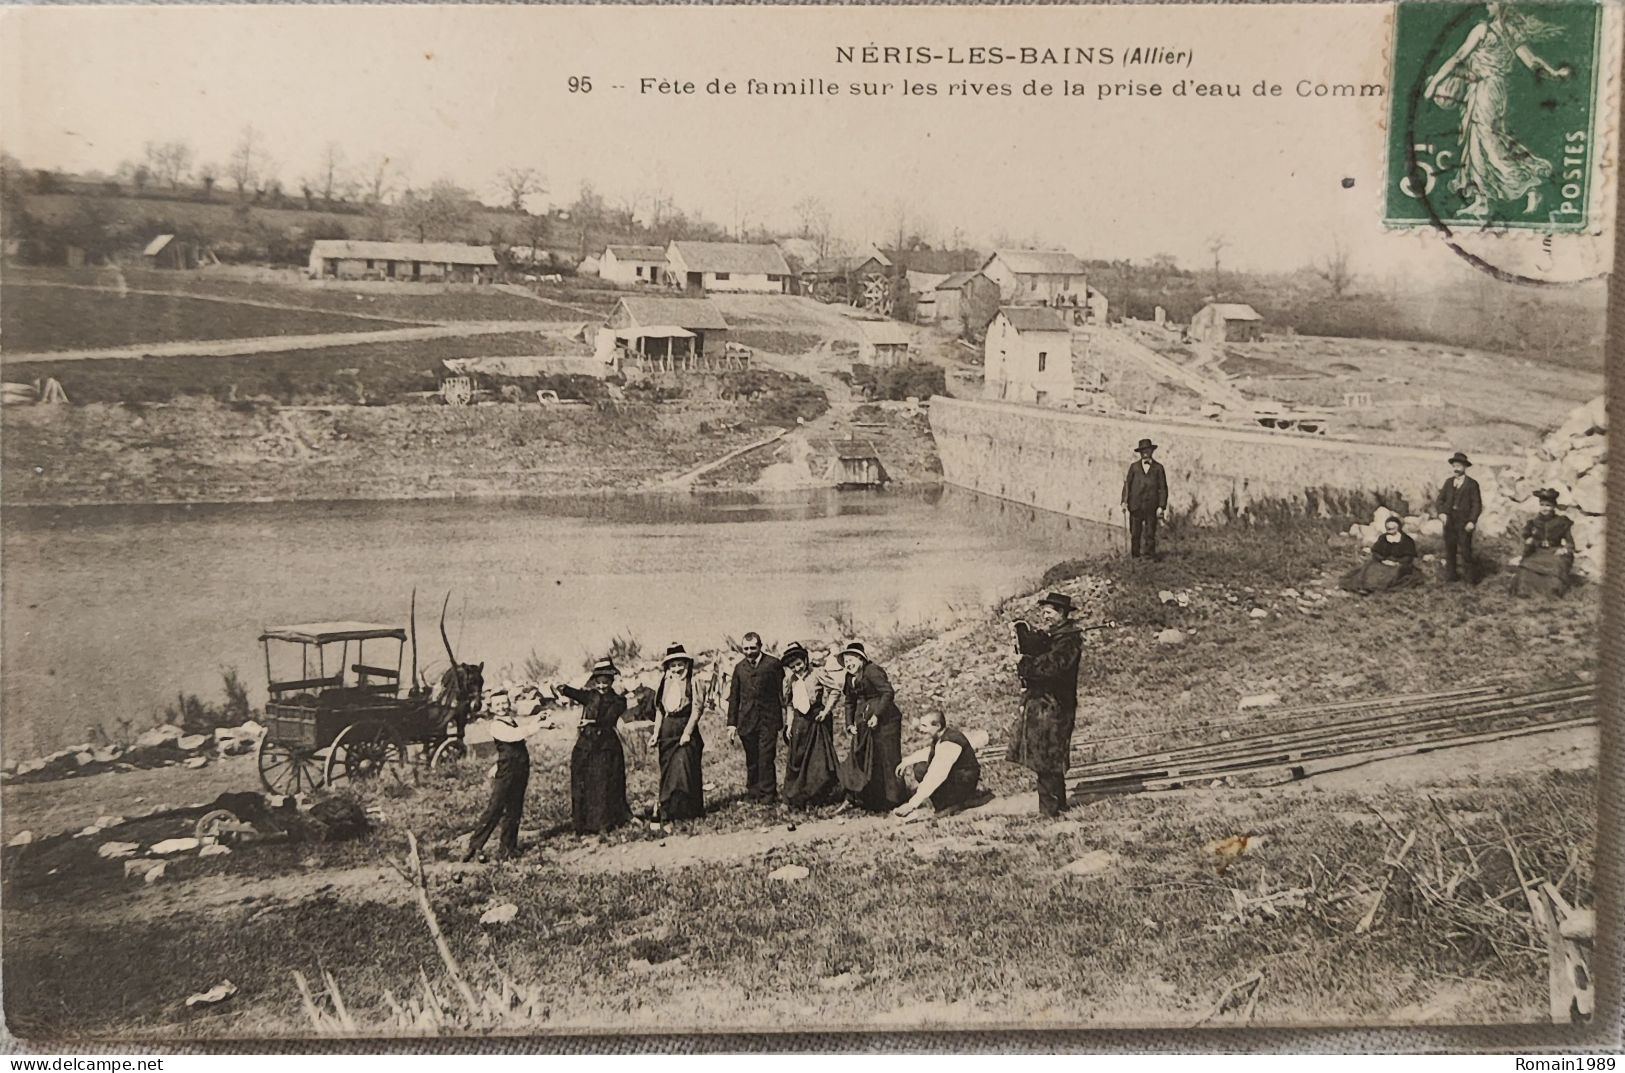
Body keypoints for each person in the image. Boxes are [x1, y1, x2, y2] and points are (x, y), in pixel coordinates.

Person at [1423, 3, 1572, 218]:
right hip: (1493, 88)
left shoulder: (1482, 29)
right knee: (1476, 139)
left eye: (1491, 2)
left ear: (1501, 6)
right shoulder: (1512, 32)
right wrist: (1554, 73)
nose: (1486, 5)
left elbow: (1458, 57)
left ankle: (1527, 185)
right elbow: (1533, 62)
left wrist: (1433, 84)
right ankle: (1482, 199)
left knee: (1485, 138)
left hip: (1486, 89)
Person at [1006, 592, 1084, 818]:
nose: (1045, 616)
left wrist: (1025, 663)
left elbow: (1054, 667)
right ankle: (1057, 806)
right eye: (1044, 612)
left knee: (1046, 757)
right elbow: (1043, 651)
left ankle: (1049, 812)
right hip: (1046, 704)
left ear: (1061, 613)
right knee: (1050, 756)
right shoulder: (1058, 636)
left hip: (1054, 706)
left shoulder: (1068, 640)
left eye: (1049, 612)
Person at [461, 690, 542, 863]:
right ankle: (475, 846)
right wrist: (537, 726)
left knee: (514, 809)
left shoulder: (511, 721)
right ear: (491, 708)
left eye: (505, 703)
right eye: (498, 704)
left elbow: (520, 732)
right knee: (496, 807)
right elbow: (515, 735)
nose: (502, 706)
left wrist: (538, 719)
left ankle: (507, 849)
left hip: (520, 768)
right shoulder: (496, 725)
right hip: (507, 770)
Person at [558, 659, 631, 835]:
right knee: (584, 783)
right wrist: (562, 688)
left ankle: (604, 823)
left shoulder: (618, 700)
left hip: (606, 746)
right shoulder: (589, 696)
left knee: (603, 784)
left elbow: (610, 719)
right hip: (586, 746)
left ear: (611, 681)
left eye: (606, 682)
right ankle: (582, 824)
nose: (602, 685)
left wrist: (592, 721)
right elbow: (570, 692)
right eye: (599, 681)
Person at [835, 641, 907, 812]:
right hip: (864, 723)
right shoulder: (849, 677)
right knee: (860, 758)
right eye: (846, 662)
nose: (849, 664)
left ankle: (894, 800)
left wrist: (877, 715)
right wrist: (849, 723)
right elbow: (849, 702)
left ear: (861, 659)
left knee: (887, 759)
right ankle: (860, 798)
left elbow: (887, 692)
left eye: (852, 660)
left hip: (886, 722)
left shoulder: (872, 670)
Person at [779, 643, 841, 809]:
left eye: (799, 664)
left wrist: (826, 711)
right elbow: (789, 704)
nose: (797, 669)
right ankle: (792, 796)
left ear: (805, 660)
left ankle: (815, 796)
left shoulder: (817, 673)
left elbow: (835, 690)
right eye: (793, 667)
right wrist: (789, 724)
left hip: (817, 719)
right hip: (800, 721)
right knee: (796, 758)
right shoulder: (789, 680)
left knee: (817, 759)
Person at [649, 643, 706, 821]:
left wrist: (687, 732)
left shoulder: (693, 681)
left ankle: (689, 812)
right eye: (673, 665)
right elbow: (660, 710)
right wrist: (655, 733)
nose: (677, 668)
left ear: (687, 664)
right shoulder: (664, 683)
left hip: (685, 728)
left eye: (680, 664)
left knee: (684, 768)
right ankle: (670, 810)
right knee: (668, 771)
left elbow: (697, 709)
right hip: (668, 730)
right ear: (668, 667)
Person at [726, 632, 784, 804]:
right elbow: (734, 698)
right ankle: (753, 793)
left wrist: (788, 717)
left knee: (766, 758)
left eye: (753, 648)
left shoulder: (773, 664)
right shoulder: (739, 668)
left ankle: (768, 795)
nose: (749, 652)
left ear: (760, 646)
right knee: (752, 759)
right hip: (747, 722)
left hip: (768, 720)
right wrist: (731, 724)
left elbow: (783, 692)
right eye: (746, 648)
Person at [893, 711, 983, 819]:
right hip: (956, 776)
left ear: (937, 726)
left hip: (965, 781)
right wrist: (907, 761)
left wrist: (912, 804)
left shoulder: (950, 742)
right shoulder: (942, 736)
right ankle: (945, 803)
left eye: (924, 726)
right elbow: (930, 752)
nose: (921, 729)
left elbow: (936, 775)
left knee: (921, 770)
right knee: (920, 767)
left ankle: (952, 804)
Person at [1511, 488, 1577, 597]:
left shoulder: (1562, 522)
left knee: (1556, 566)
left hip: (1554, 552)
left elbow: (1570, 543)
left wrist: (1564, 549)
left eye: (1548, 505)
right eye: (1542, 505)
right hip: (1538, 552)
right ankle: (1525, 593)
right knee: (1526, 567)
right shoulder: (1533, 523)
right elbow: (1527, 541)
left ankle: (1551, 594)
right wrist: (1530, 542)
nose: (1544, 508)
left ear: (1553, 507)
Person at [1340, 516, 1423, 594]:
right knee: (1369, 568)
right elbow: (1376, 552)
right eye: (1388, 528)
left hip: (1399, 564)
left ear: (1398, 527)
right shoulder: (1383, 538)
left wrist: (1396, 562)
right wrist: (1383, 560)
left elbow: (1408, 557)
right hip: (1382, 562)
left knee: (1393, 574)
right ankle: (1365, 586)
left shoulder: (1407, 540)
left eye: (1393, 528)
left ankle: (1377, 588)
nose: (1390, 530)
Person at [1436, 452, 1483, 583]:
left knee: (1465, 550)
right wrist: (1442, 513)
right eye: (1454, 466)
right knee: (1450, 549)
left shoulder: (1472, 484)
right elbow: (1440, 500)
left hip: (1464, 522)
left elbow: (1477, 504)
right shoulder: (1448, 483)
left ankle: (1470, 579)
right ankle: (1451, 577)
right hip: (1449, 521)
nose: (1456, 469)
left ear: (1465, 467)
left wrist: (1472, 521)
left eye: (1459, 466)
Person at [1121, 438, 1169, 559]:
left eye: (1147, 450)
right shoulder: (1134, 467)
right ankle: (1135, 557)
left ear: (1151, 451)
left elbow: (1163, 488)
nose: (1145, 453)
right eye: (1143, 451)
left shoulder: (1158, 468)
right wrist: (1124, 501)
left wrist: (1161, 506)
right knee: (1135, 533)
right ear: (1140, 453)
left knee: (1150, 533)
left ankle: (1149, 558)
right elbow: (1127, 485)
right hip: (1135, 505)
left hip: (1151, 506)